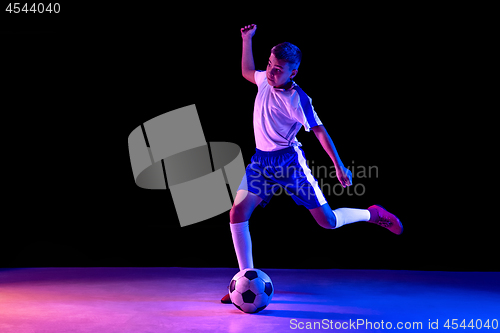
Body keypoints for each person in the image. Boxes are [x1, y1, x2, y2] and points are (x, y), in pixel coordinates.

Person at [221, 24, 403, 304]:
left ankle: (373, 214)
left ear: (293, 72)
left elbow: (320, 130)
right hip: (261, 162)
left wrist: (339, 166)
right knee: (237, 214)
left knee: (328, 222)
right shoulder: (263, 81)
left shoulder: (299, 100)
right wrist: (247, 40)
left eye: (278, 69)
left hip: (289, 164)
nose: (271, 72)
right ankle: (244, 280)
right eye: (270, 65)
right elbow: (247, 71)